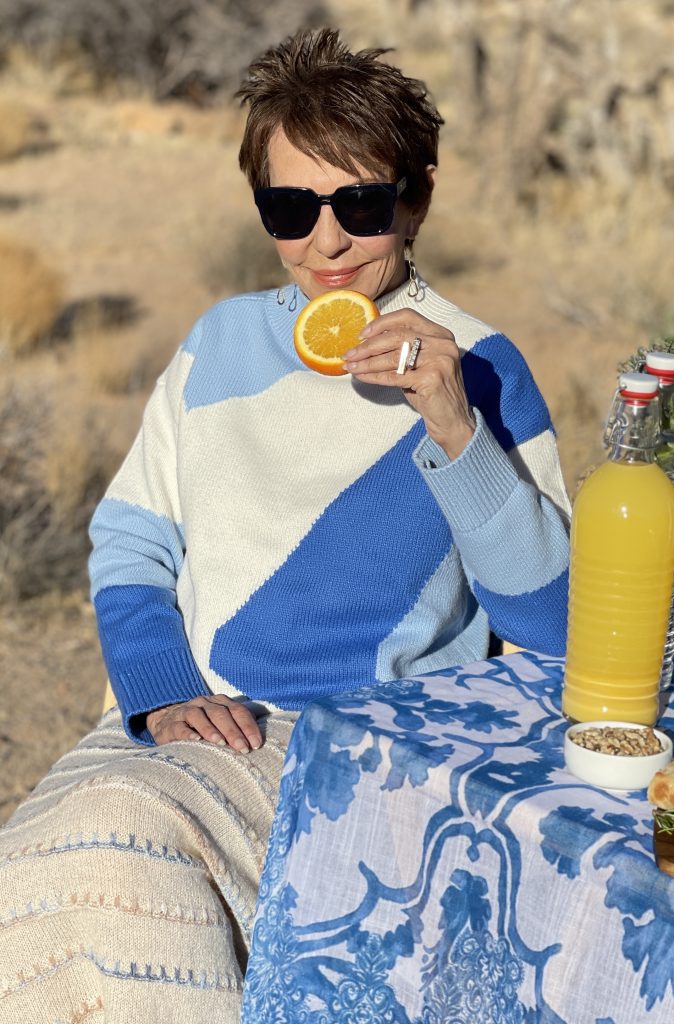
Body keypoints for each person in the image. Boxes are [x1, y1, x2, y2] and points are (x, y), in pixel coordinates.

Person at [0, 27, 570, 1024]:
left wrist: (454, 428)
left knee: (116, 859)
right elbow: (131, 540)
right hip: (193, 727)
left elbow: (553, 620)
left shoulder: (479, 364)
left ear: (418, 196)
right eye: (289, 209)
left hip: (377, 751)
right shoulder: (219, 343)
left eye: (360, 204)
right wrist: (164, 690)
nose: (327, 244)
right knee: (57, 865)